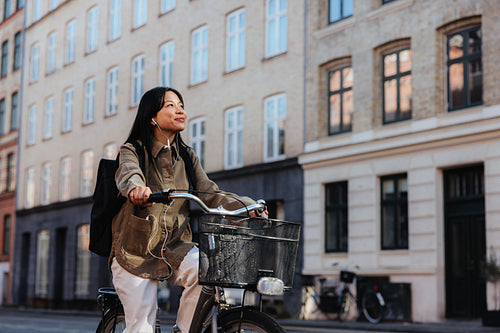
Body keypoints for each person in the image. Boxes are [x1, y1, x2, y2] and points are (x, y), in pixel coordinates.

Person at [110, 87, 261, 332]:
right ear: (151, 116)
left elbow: (210, 194)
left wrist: (247, 206)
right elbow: (129, 173)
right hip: (136, 251)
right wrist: (137, 189)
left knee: (208, 272)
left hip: (176, 247)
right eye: (170, 105)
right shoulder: (133, 150)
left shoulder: (187, 157)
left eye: (180, 104)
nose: (179, 109)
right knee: (141, 327)